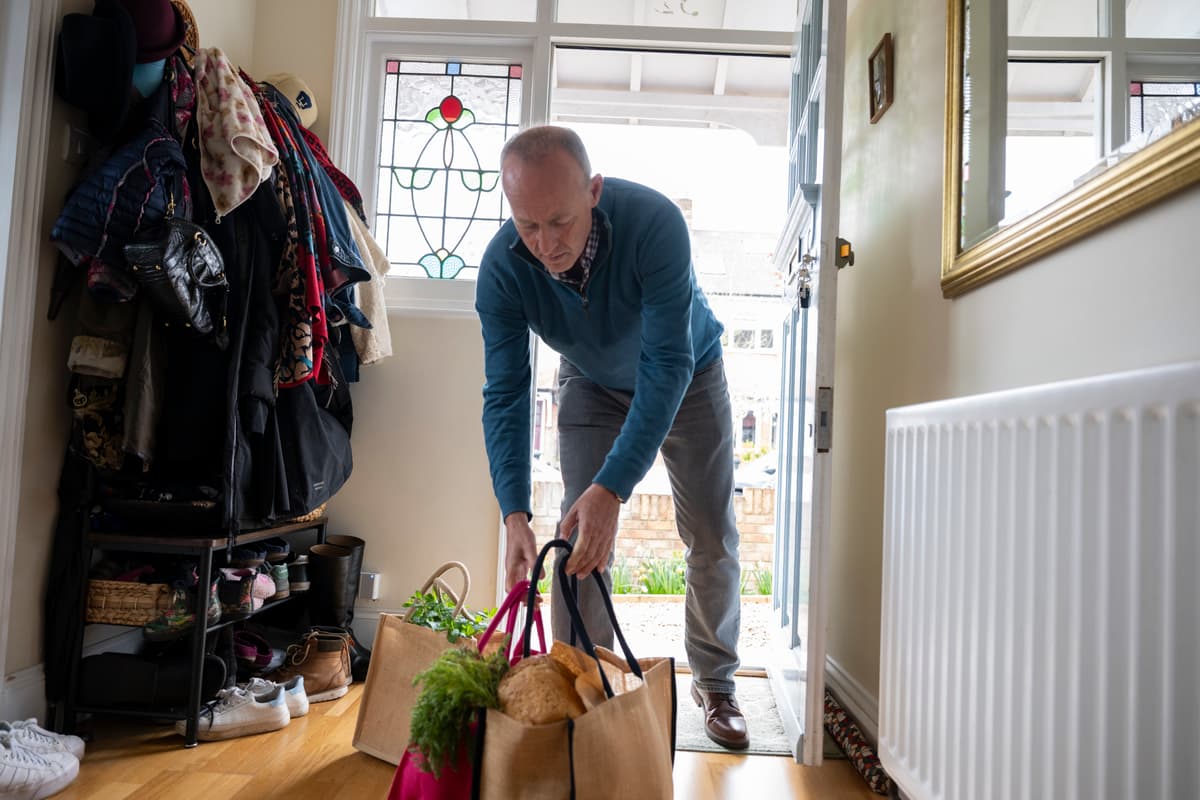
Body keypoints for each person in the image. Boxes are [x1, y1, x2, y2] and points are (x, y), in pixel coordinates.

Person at [475, 125, 748, 749]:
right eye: (528, 225)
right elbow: (508, 393)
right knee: (577, 541)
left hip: (689, 372)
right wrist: (514, 511)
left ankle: (717, 681)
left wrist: (613, 488)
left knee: (710, 530)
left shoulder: (654, 223)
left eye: (560, 222)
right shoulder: (502, 270)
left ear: (594, 191)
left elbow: (666, 365)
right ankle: (578, 690)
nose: (545, 244)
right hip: (591, 381)